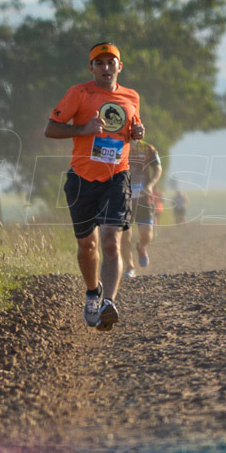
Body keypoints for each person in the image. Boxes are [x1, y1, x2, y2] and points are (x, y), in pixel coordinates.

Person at [44, 42, 144, 331]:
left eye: (110, 62)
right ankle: (92, 293)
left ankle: (108, 303)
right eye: (99, 63)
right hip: (82, 179)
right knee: (88, 245)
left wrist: (138, 131)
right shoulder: (79, 93)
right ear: (91, 68)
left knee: (112, 241)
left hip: (116, 177)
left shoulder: (131, 96)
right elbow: (51, 129)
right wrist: (82, 130)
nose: (105, 67)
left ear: (119, 67)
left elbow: (132, 128)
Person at [123, 139, 162, 278]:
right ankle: (129, 267)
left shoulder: (147, 148)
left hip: (143, 196)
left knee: (147, 234)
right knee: (124, 234)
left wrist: (150, 185)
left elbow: (158, 168)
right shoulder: (117, 145)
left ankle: (141, 247)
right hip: (122, 197)